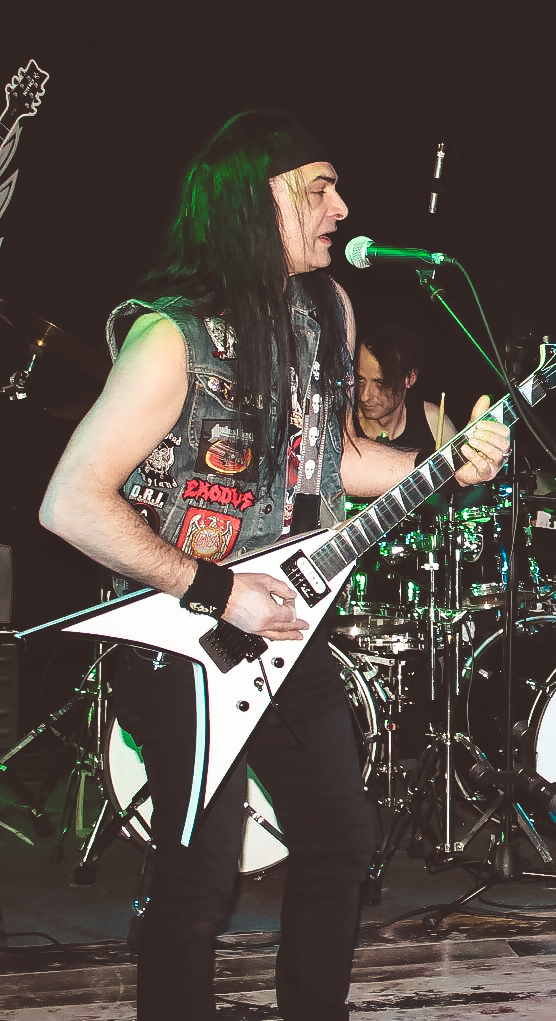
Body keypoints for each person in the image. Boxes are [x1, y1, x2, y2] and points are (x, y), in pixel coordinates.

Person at [37, 112, 511, 1019]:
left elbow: (334, 463)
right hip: (179, 637)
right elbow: (70, 502)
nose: (342, 207)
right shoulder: (171, 336)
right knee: (200, 872)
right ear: (256, 204)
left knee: (341, 837)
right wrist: (218, 589)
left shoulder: (326, 311)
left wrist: (450, 463)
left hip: (288, 630)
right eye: (318, 189)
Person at [351, 324, 459, 453]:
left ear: (410, 378)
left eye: (380, 383)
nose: (364, 396)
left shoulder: (434, 421)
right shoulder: (342, 425)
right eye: (360, 379)